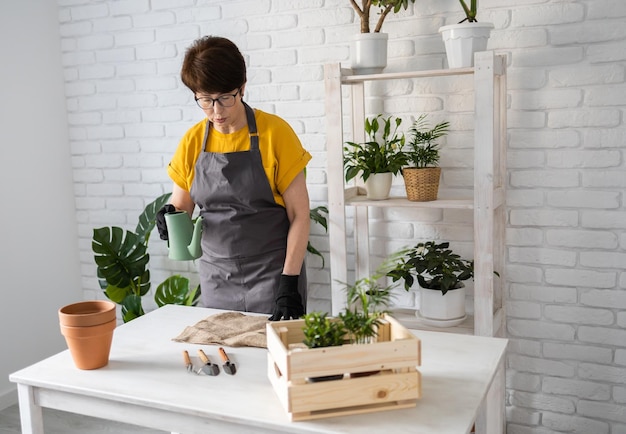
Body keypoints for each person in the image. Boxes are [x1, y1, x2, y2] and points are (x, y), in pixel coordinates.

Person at [156, 36, 312, 321]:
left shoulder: (276, 133)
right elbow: (182, 205)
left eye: (225, 98)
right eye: (205, 100)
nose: (216, 111)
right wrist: (169, 213)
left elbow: (300, 214)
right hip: (217, 277)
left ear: (242, 87)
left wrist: (288, 282)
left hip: (273, 274)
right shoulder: (192, 141)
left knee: (273, 357)